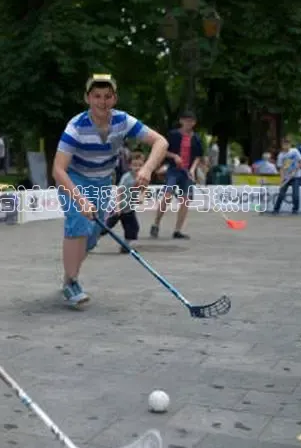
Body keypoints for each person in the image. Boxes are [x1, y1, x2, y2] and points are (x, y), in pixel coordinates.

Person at [53, 74, 168, 309]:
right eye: (96, 96)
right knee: (78, 222)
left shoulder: (123, 121)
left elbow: (161, 142)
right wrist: (80, 199)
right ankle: (72, 282)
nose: (102, 102)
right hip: (74, 179)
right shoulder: (76, 127)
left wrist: (146, 169)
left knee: (93, 235)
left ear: (114, 99)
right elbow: (57, 169)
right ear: (87, 98)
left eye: (107, 96)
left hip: (103, 182)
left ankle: (68, 278)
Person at [150, 110, 204, 240]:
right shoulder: (173, 135)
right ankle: (156, 224)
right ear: (181, 121)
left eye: (191, 121)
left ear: (194, 123)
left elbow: (198, 156)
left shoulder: (196, 138)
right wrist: (174, 156)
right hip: (174, 170)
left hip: (187, 173)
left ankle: (177, 230)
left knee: (185, 200)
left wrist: (192, 169)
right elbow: (163, 150)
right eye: (186, 120)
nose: (188, 123)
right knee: (167, 196)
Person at [101, 151, 146, 253]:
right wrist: (117, 207)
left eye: (140, 165)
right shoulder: (126, 177)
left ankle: (125, 246)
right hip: (117, 207)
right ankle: (89, 241)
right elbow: (119, 192)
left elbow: (144, 188)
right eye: (135, 165)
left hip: (128, 208)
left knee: (133, 228)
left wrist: (141, 197)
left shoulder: (143, 177)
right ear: (130, 165)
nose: (137, 167)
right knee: (106, 227)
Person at [272, 137, 301, 215]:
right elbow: (281, 168)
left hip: (296, 176)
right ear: (282, 145)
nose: (286, 145)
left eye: (288, 144)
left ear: (290, 144)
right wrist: (282, 179)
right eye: (284, 144)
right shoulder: (281, 155)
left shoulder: (295, 151)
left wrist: (295, 171)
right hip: (286, 177)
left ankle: (295, 210)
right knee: (281, 194)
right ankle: (276, 209)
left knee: (296, 194)